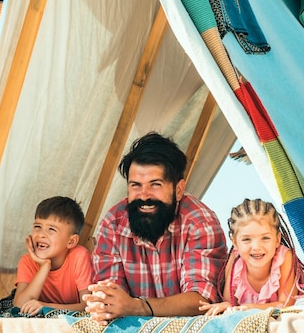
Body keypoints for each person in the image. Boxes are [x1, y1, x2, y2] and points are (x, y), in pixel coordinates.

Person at [83, 132, 228, 324]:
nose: (144, 196)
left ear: (178, 190)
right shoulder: (112, 225)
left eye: (155, 185)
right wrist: (103, 305)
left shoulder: (200, 223)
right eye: (136, 185)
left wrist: (137, 306)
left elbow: (201, 300)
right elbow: (110, 298)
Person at [199, 198, 304, 315]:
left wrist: (249, 308)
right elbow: (230, 303)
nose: (256, 246)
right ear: (235, 243)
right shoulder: (235, 262)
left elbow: (286, 305)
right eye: (246, 239)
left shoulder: (284, 257)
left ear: (277, 240)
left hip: (303, 299)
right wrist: (225, 306)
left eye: (265, 238)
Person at [12, 196, 93, 315]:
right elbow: (19, 306)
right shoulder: (27, 261)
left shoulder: (79, 256)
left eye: (51, 229)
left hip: (65, 311)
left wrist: (45, 306)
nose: (41, 234)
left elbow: (88, 306)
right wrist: (45, 266)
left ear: (71, 242)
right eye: (37, 227)